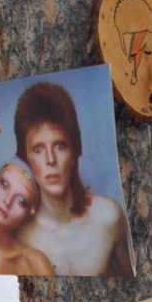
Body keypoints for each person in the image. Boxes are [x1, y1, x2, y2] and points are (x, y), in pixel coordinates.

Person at [13, 81, 134, 277]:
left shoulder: (108, 216)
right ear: (26, 157)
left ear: (75, 150)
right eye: (38, 149)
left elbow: (135, 283)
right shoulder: (22, 239)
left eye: (59, 146)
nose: (50, 160)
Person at [0, 158, 55, 276]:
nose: (7, 201)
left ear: (30, 212)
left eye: (21, 201)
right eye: (4, 185)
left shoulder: (36, 265)